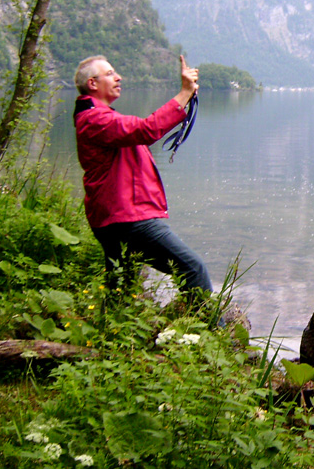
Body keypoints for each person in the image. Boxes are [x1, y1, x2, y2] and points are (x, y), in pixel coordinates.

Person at [73, 54, 213, 295]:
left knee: (122, 286)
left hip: (114, 217)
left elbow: (141, 132)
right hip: (127, 219)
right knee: (192, 268)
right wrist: (184, 94)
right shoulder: (95, 119)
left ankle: (112, 329)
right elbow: (147, 129)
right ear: (93, 84)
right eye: (109, 74)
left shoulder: (99, 117)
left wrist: (186, 97)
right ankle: (210, 331)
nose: (118, 77)